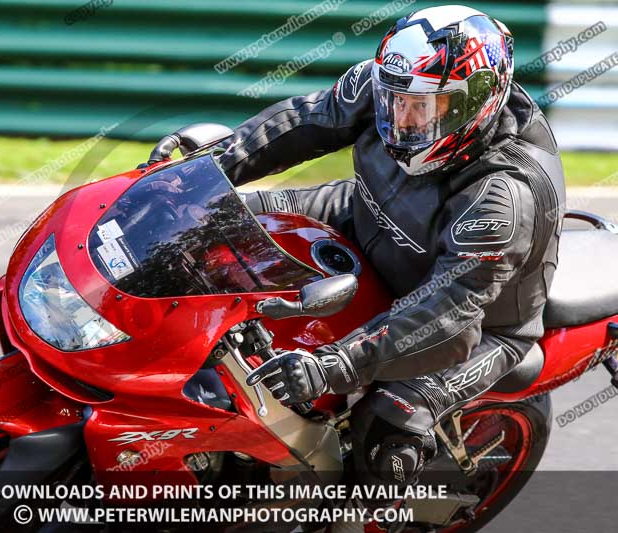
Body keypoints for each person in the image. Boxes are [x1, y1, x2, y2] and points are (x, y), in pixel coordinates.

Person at [222, 5, 566, 485]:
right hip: (363, 212)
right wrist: (203, 168)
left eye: (424, 108)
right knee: (223, 220)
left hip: (477, 326)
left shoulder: (505, 196)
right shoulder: (388, 79)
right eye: (395, 101)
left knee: (383, 428)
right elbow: (302, 122)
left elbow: (446, 307)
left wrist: (337, 364)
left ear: (475, 103)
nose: (403, 120)